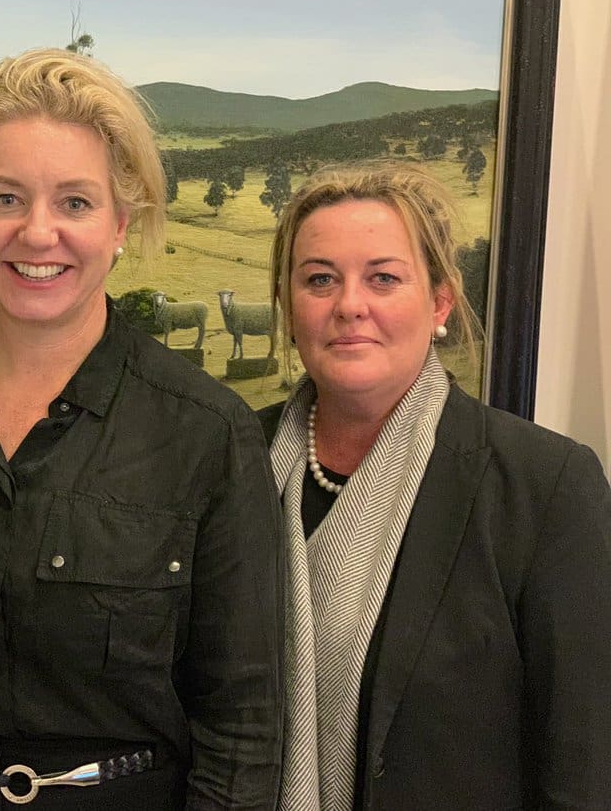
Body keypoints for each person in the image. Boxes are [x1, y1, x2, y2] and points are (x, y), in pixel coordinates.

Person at [0, 48, 284, 810]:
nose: (38, 232)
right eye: (6, 198)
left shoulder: (207, 433)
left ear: (122, 223)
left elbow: (243, 722)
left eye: (76, 203)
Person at [261, 162, 611, 811]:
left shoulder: (546, 487)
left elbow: (584, 763)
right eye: (319, 280)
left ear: (440, 302)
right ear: (288, 307)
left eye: (384, 278)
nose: (349, 305)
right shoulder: (234, 463)